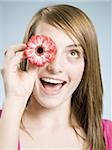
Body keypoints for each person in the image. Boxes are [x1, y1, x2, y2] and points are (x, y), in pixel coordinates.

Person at [0, 4, 112, 150]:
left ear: (86, 64)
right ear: (26, 54)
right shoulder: (6, 117)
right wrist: (15, 100)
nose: (55, 67)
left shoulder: (107, 136)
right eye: (43, 49)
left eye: (73, 53)